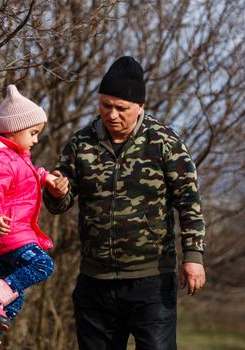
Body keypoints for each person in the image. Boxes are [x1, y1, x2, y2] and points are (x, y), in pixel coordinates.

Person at [44, 56, 207, 350]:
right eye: (106, 105)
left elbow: (189, 201)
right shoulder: (82, 144)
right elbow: (60, 202)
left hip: (152, 281)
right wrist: (57, 192)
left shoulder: (164, 142)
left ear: (140, 107)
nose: (112, 114)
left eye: (122, 108)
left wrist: (193, 256)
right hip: (95, 281)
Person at [0, 85, 61, 350]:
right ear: (13, 130)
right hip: (8, 236)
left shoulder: (13, 156)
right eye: (33, 133)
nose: (36, 140)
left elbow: (24, 175)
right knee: (43, 266)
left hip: (7, 238)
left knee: (12, 301)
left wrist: (45, 177)